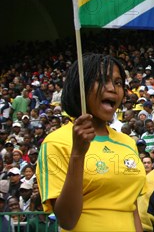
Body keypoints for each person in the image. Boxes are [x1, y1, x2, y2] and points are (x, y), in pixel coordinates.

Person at [36, 54, 146, 231]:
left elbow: (132, 210)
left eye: (118, 83)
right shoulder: (55, 142)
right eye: (102, 81)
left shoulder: (128, 143)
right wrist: (78, 153)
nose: (113, 89)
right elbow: (67, 219)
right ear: (80, 88)